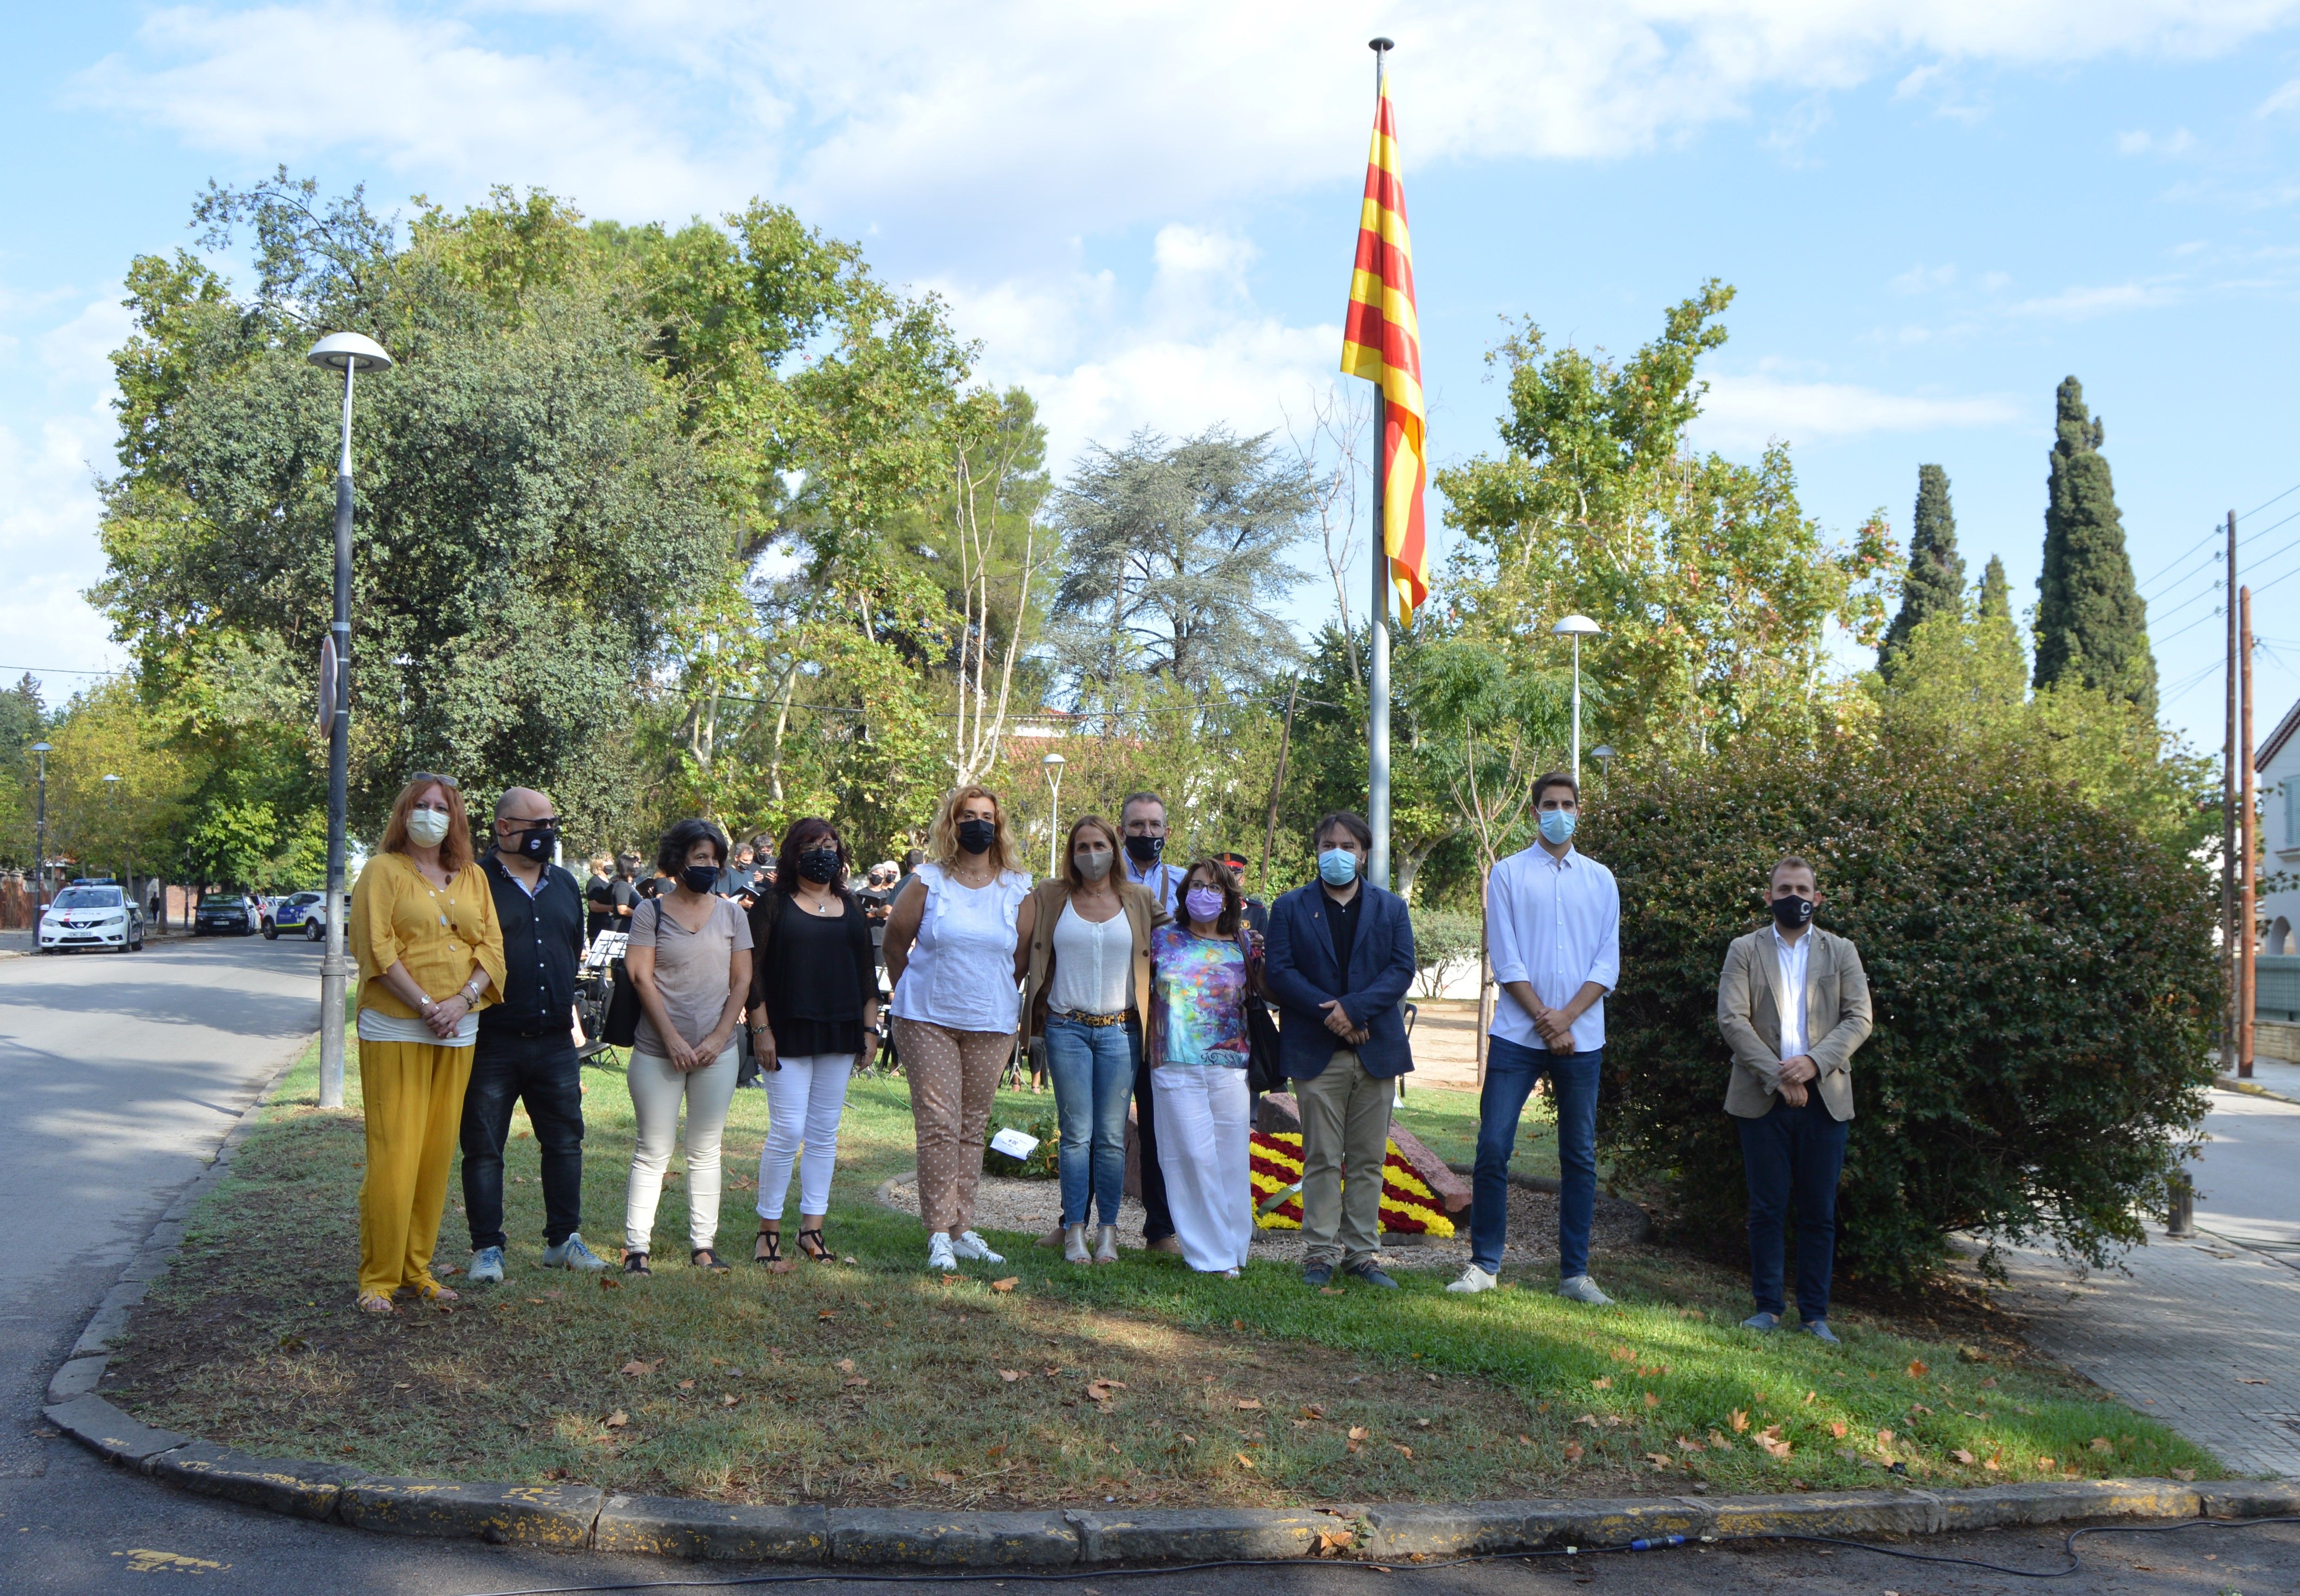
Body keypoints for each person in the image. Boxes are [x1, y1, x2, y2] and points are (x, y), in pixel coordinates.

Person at [1449, 772, 1621, 1305]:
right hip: (1516, 1037)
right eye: (1550, 804)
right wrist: (1546, 1019)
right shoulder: (1507, 874)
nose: (1559, 812)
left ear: (1579, 810)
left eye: (1568, 804)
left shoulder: (1600, 879)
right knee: (1493, 1146)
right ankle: (1484, 1264)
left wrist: (1566, 1018)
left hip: (1583, 1038)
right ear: (1533, 812)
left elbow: (1606, 961)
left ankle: (1575, 1274)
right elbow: (1506, 958)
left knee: (1579, 1156)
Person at [347, 774, 507, 1314]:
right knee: (395, 1154)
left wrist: (460, 1002)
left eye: (442, 807)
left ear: (455, 818)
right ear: (404, 812)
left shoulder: (474, 876)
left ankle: (417, 1269)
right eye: (422, 805)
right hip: (396, 1025)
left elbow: (491, 946)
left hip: (459, 1029)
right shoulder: (382, 871)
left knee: (436, 1154)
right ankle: (379, 1278)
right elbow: (375, 946)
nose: (431, 814)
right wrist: (425, 1004)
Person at [1717, 856, 1872, 1343]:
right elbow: (1731, 1019)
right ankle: (1767, 1307)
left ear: (1817, 898)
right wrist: (1779, 1074)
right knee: (1766, 1207)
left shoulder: (1841, 951)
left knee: (1818, 1211)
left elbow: (1859, 1018)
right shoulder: (1743, 949)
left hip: (1826, 1099)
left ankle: (1814, 1315)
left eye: (1802, 888)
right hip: (1762, 1097)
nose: (1793, 896)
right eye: (1783, 888)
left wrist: (1812, 1063)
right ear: (1768, 897)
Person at [1264, 811, 1416, 1290]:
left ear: (1364, 853)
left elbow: (1400, 970)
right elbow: (1281, 972)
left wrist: (1353, 1010)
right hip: (1315, 1049)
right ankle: (1320, 1253)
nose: (1338, 853)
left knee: (1369, 1156)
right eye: (1328, 844)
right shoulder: (1289, 907)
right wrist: (1332, 1015)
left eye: (1347, 845)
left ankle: (1362, 1255)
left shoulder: (1390, 908)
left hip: (1376, 1046)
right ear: (1316, 850)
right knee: (1322, 1155)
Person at [883, 785, 1031, 1272]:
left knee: (971, 1127)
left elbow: (1022, 957)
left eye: (987, 816)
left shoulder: (1018, 888)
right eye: (968, 815)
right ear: (952, 823)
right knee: (938, 1125)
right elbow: (894, 942)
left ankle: (963, 1228)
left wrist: (992, 994)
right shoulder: (928, 881)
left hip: (990, 1021)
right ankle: (938, 1232)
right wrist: (914, 992)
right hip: (927, 1019)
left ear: (999, 825)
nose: (978, 824)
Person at [462, 789, 606, 1282]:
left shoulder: (566, 884)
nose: (548, 831)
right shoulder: (473, 881)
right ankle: (486, 1248)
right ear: (504, 827)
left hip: (553, 1042)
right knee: (484, 1147)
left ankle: (563, 1241)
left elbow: (570, 955)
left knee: (566, 1141)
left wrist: (573, 1030)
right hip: (491, 1040)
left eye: (552, 822)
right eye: (537, 823)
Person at [1016, 816, 1164, 1265]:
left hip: (1121, 1031)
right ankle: (1074, 1230)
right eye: (1082, 846)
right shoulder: (1051, 895)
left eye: (1099, 844)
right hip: (1067, 1029)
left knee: (1110, 1137)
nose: (1091, 854)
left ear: (1114, 848)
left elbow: (1181, 939)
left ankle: (1108, 1233)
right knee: (1076, 1135)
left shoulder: (1138, 898)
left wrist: (1234, 937)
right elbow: (1018, 936)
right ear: (1071, 852)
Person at [620, 818, 754, 1275]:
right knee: (652, 1149)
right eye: (700, 857)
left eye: (714, 859)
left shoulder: (734, 914)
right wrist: (673, 1039)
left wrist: (720, 1038)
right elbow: (640, 976)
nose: (709, 866)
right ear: (678, 860)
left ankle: (704, 1245)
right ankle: (636, 1248)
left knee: (705, 1149)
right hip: (658, 1051)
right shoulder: (650, 912)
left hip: (717, 1054)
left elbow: (742, 980)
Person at [747, 817, 879, 1265]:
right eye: (812, 844)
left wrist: (870, 1029)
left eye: (830, 843)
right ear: (793, 853)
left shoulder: (852, 906)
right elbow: (753, 973)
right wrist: (760, 1028)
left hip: (840, 1031)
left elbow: (866, 971)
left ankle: (812, 1231)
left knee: (824, 1135)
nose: (823, 851)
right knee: (788, 1131)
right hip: (786, 1031)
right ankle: (768, 1233)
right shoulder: (773, 904)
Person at [1147, 859, 1261, 1276]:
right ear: (1183, 893)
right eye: (1196, 885)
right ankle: (1210, 1255)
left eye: (1214, 888)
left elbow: (1264, 992)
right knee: (1190, 1157)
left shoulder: (1244, 943)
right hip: (1174, 1061)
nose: (1204, 894)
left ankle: (1234, 1248)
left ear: (1230, 897)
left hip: (1231, 1064)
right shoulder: (1161, 940)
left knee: (1230, 1158)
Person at [1119, 791, 1188, 1256]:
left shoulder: (1185, 884)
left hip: (1161, 1023)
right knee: (1092, 1125)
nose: (1147, 833)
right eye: (1138, 825)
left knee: (1160, 1127)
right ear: (1121, 829)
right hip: (1106, 1013)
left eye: (1155, 825)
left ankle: (1160, 1229)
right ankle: (1075, 1222)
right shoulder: (1099, 874)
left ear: (1167, 830)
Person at [584, 856, 618, 941]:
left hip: (610, 926)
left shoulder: (610, 882)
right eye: (607, 861)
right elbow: (594, 907)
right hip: (598, 927)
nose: (611, 864)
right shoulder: (594, 882)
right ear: (598, 865)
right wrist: (613, 908)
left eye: (612, 860)